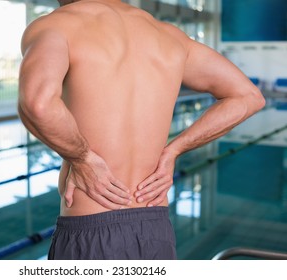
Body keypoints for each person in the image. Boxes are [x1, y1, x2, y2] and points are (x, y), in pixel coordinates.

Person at [18, 0, 265, 260]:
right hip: (155, 226)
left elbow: (38, 103)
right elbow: (248, 96)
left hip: (92, 224)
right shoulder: (169, 36)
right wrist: (175, 150)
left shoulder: (57, 25)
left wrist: (82, 158)